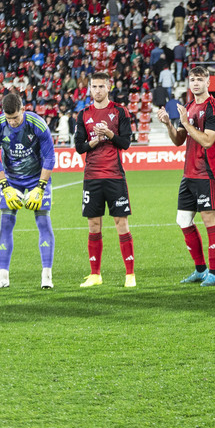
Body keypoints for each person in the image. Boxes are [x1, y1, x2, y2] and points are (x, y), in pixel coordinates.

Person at [156, 66, 215, 286]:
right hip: (189, 174)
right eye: (193, 79)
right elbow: (179, 140)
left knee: (209, 220)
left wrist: (185, 122)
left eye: (200, 79)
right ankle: (200, 269)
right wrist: (169, 123)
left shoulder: (214, 107)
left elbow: (207, 141)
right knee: (183, 220)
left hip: (206, 173)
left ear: (208, 82)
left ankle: (213, 273)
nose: (196, 83)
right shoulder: (189, 106)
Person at [0, 92, 57, 289]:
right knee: (6, 221)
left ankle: (47, 276)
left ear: (23, 110)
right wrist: (5, 186)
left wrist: (41, 187)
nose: (13, 122)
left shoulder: (38, 124)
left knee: (43, 220)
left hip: (37, 177)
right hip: (11, 179)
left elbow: (50, 157)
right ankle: (3, 277)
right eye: (9, 118)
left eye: (16, 117)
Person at [74, 73, 137, 288]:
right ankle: (95, 274)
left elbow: (126, 143)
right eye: (94, 86)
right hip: (92, 177)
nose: (98, 90)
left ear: (108, 87)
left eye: (101, 86)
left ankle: (130, 274)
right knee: (93, 225)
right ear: (90, 89)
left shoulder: (120, 111)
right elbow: (79, 147)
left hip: (114, 176)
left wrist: (109, 134)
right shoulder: (83, 114)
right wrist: (95, 140)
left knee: (121, 223)